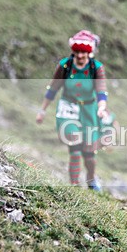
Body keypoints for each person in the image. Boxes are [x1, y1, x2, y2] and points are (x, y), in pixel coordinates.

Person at [36, 30, 110, 191]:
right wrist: (42, 110)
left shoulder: (96, 68)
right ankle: (74, 186)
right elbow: (53, 88)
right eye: (77, 52)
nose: (80, 55)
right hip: (68, 108)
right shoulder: (65, 65)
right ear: (73, 51)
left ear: (89, 52)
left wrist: (102, 108)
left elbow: (101, 90)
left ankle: (91, 179)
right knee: (74, 145)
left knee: (89, 153)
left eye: (83, 52)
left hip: (89, 110)